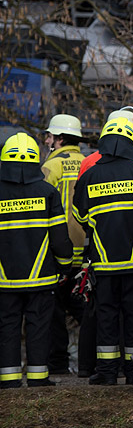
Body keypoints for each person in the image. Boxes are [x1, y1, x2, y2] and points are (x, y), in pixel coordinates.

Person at [72, 114, 133, 384]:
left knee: (106, 316)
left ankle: (108, 373)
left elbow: (80, 215)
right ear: (132, 142)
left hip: (104, 263)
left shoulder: (90, 175)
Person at [0, 133, 72, 388]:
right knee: (39, 325)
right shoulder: (47, 192)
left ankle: (8, 379)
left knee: (7, 326)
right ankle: (38, 377)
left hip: (4, 281)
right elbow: (60, 238)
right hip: (41, 277)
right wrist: (65, 265)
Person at [40, 114, 86, 375]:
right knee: (86, 308)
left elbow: (38, 201)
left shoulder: (51, 165)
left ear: (58, 139)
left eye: (49, 136)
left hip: (59, 252)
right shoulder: (88, 163)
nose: (47, 140)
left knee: (55, 309)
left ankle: (57, 364)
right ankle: (91, 361)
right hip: (88, 250)